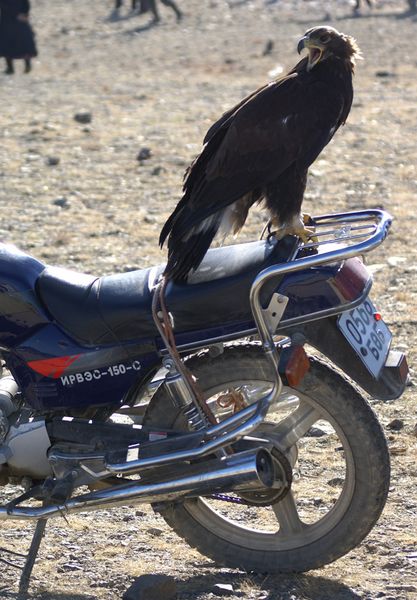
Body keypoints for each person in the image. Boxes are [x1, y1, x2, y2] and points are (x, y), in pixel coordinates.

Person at [0, 0, 37, 74]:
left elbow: (26, 4)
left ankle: (27, 66)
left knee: (25, 43)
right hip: (7, 21)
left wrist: (25, 14)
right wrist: (16, 15)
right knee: (7, 44)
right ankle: (10, 68)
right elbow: (3, 5)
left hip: (20, 20)